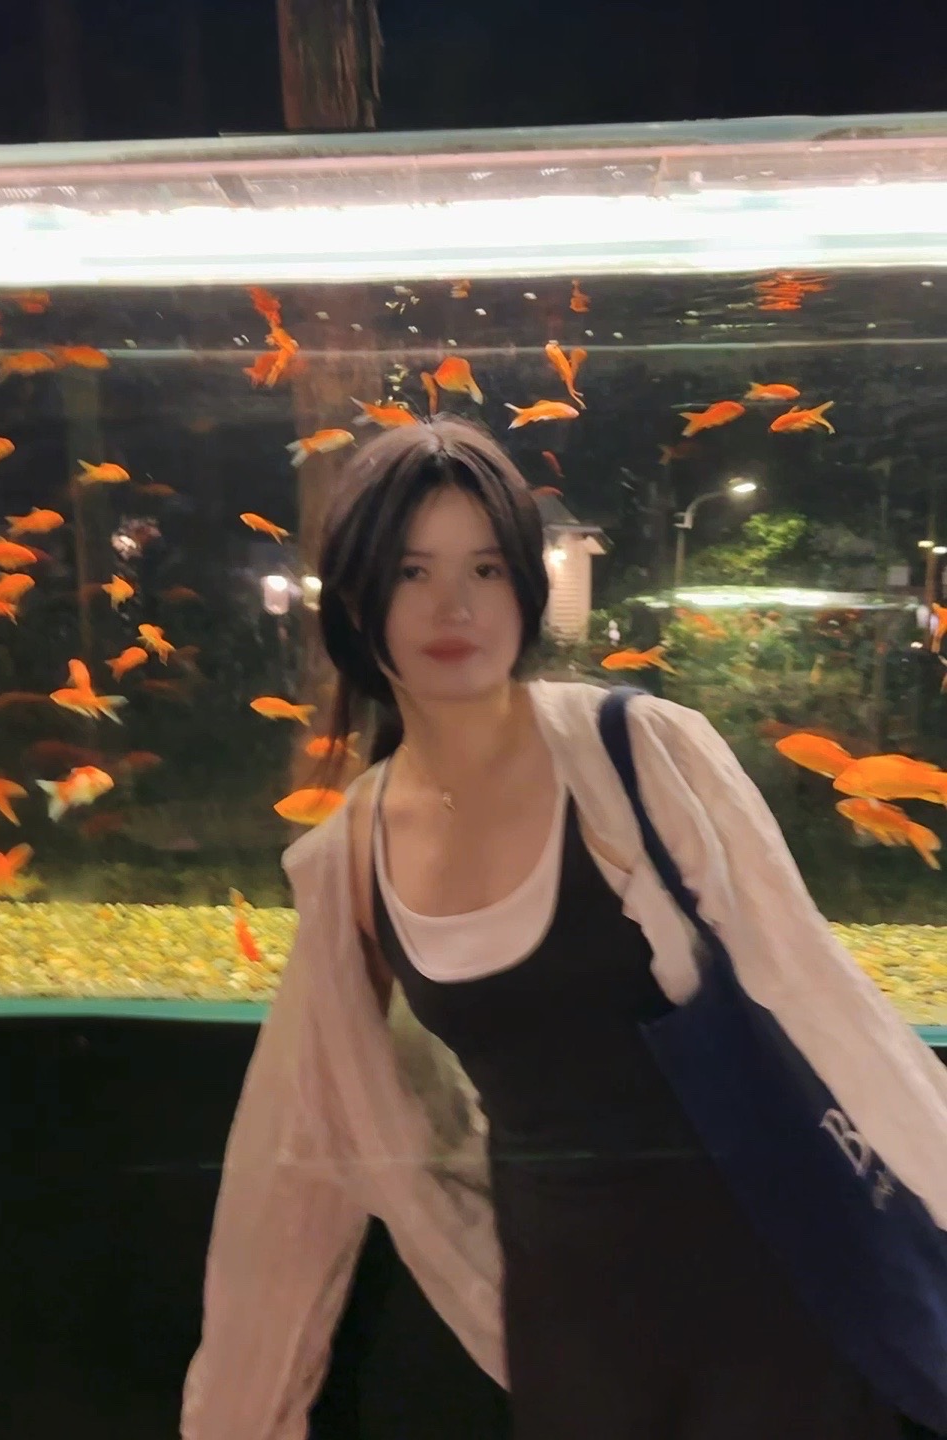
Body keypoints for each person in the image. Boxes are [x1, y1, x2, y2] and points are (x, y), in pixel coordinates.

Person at [182, 416, 947, 1440]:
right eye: (412, 572)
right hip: (569, 1324)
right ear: (356, 600)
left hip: (768, 1288)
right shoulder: (348, 855)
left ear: (527, 588)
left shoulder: (639, 755)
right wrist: (241, 1412)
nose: (455, 607)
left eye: (487, 569)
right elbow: (303, 1135)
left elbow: (828, 1010)